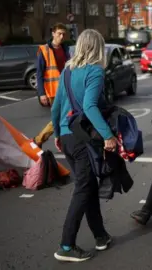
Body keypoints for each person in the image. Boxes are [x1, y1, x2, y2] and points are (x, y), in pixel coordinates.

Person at [51, 29, 115, 262]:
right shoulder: (95, 71)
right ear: (98, 47)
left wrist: (58, 135)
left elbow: (56, 107)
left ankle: (100, 236)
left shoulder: (67, 71)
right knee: (83, 189)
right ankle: (66, 246)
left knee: (86, 187)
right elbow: (89, 106)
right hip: (82, 139)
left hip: (67, 137)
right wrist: (108, 135)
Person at [34, 23, 70, 147]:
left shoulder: (65, 48)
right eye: (59, 33)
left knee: (64, 115)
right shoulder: (44, 50)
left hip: (65, 88)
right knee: (60, 116)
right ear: (53, 33)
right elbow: (39, 74)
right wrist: (41, 93)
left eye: (64, 34)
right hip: (52, 90)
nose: (61, 36)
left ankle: (40, 140)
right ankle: (39, 139)